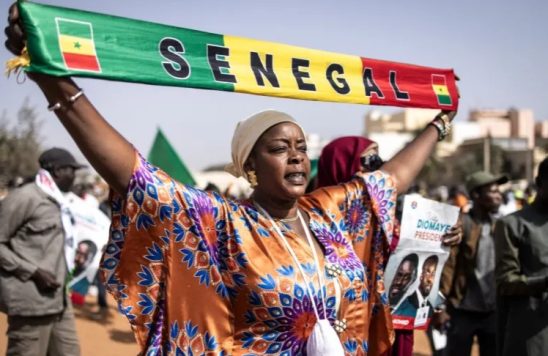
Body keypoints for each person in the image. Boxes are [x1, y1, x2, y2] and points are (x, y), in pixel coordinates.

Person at [5, 6, 458, 354]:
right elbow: (136, 175)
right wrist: (53, 80)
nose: (297, 156)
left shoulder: (328, 214)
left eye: (301, 147)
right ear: (250, 168)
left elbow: (392, 179)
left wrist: (440, 124)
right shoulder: (223, 225)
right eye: (280, 148)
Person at [315, 136, 462, 356]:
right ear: (341, 164)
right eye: (369, 159)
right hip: (348, 323)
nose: (379, 164)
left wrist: (443, 238)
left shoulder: (388, 215)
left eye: (378, 157)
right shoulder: (316, 219)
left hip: (394, 321)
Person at [0, 147, 84, 356]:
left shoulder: (61, 202)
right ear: (56, 171)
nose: (75, 176)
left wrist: (76, 256)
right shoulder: (25, 198)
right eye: (71, 170)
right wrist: (33, 272)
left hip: (59, 300)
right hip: (32, 302)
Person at [434, 171, 508, 356]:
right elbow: (448, 268)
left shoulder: (501, 225)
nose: (499, 195)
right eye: (492, 191)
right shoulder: (462, 225)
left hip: (492, 311)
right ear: (476, 195)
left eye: (499, 191)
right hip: (462, 310)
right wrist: (441, 307)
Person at [494, 157, 548, 356]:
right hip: (531, 333)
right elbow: (505, 282)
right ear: (539, 183)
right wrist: (543, 282)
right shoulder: (512, 225)